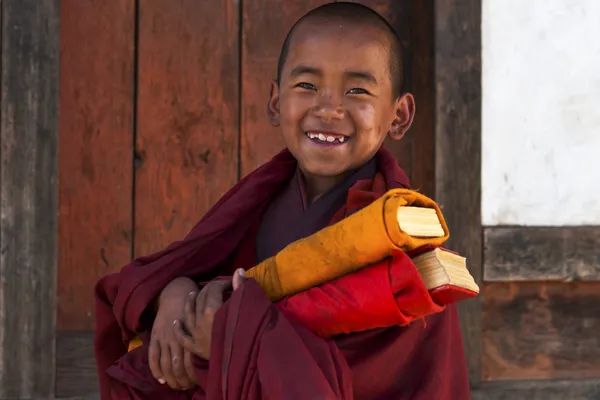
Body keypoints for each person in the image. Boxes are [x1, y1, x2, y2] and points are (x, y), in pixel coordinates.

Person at [94, 2, 470, 399]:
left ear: (399, 116)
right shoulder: (259, 201)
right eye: (307, 85)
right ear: (276, 102)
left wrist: (226, 340)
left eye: (357, 90)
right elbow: (170, 278)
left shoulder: (404, 246)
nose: (328, 108)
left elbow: (354, 374)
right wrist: (174, 293)